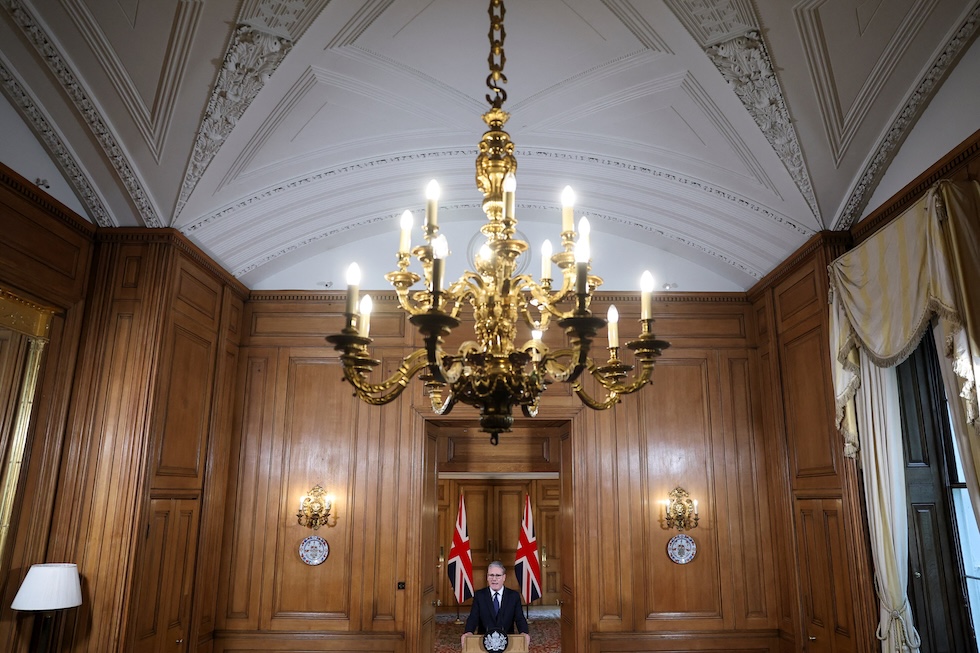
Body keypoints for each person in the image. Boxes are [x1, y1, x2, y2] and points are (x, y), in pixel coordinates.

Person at [461, 561, 530, 647]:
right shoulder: (479, 595)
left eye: (498, 575)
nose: (494, 579)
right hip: (485, 642)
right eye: (491, 575)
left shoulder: (513, 596)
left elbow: (520, 618)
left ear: (504, 577)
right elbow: (473, 617)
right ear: (487, 577)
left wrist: (524, 632)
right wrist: (468, 632)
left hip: (507, 641)